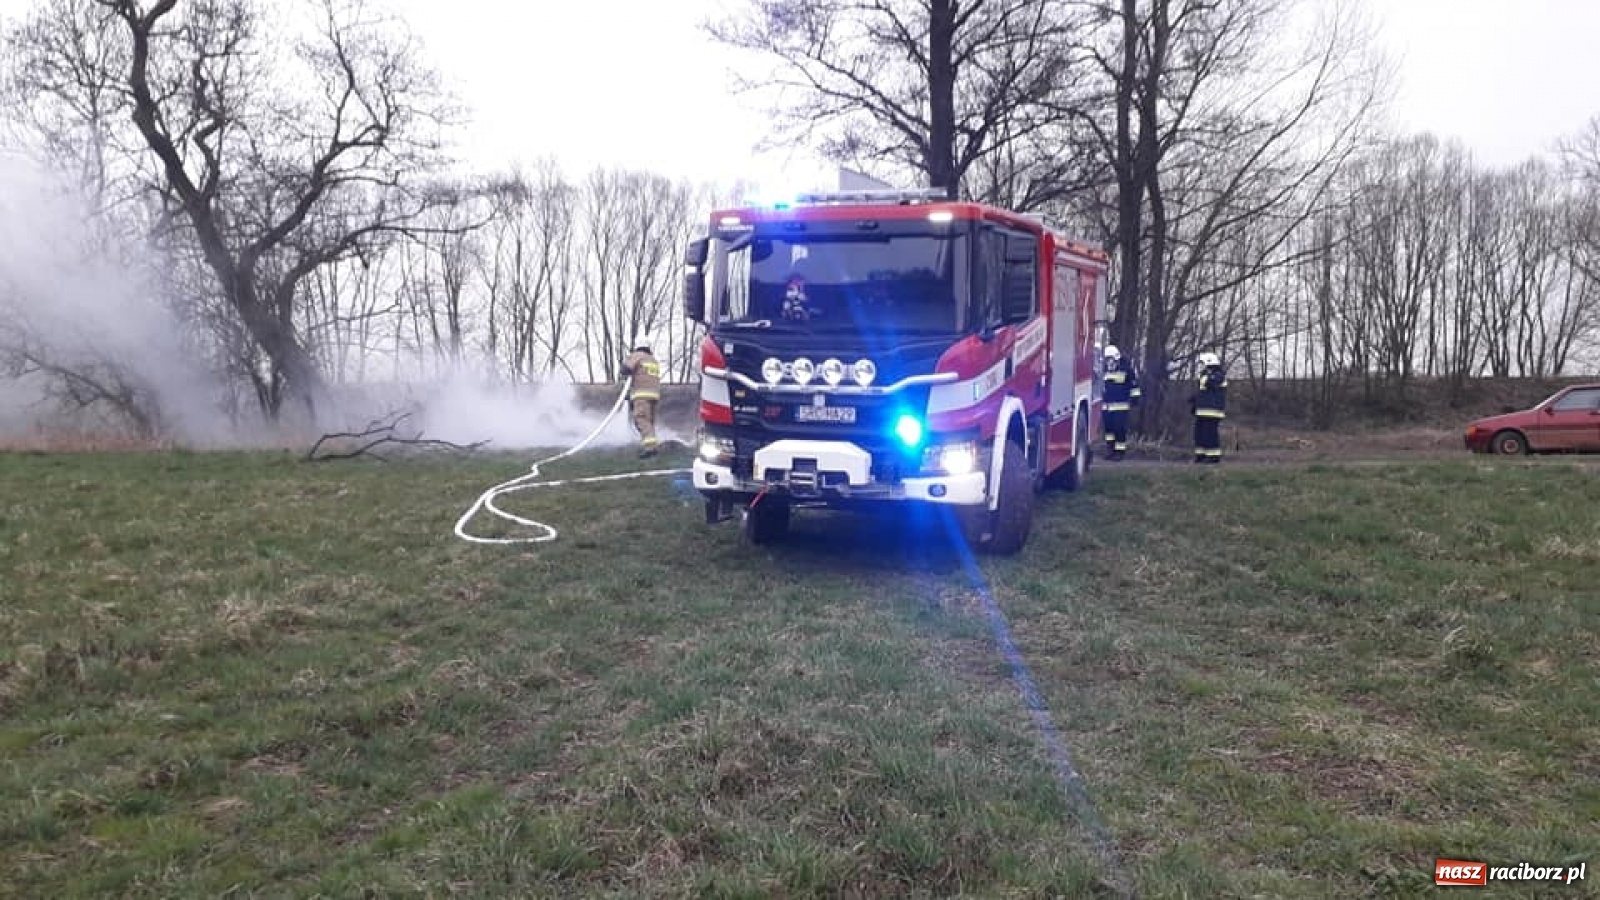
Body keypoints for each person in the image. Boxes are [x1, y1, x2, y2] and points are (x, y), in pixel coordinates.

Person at [620, 345, 663, 458]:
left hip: (642, 395)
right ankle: (652, 445)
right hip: (654, 395)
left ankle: (650, 448)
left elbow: (625, 369)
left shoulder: (638, 356)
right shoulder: (653, 360)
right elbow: (644, 377)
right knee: (649, 422)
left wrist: (625, 363)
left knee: (641, 419)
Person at [1101, 345, 1140, 459]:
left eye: (1110, 358)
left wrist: (1135, 400)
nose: (1108, 361)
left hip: (1120, 407)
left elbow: (1134, 386)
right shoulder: (1104, 370)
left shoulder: (1126, 370)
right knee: (1109, 431)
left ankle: (1120, 452)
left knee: (1119, 429)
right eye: (1106, 359)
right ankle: (1110, 450)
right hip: (1106, 407)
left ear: (1116, 358)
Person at [1189, 351, 1227, 464]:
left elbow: (1209, 383)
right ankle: (1200, 455)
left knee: (1209, 434)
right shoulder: (1205, 374)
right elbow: (1202, 393)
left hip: (1213, 412)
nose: (1201, 365)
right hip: (1202, 411)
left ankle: (1213, 457)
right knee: (1199, 434)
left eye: (1202, 363)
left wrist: (1203, 376)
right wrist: (1194, 403)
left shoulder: (1218, 375)